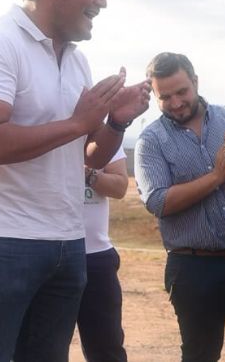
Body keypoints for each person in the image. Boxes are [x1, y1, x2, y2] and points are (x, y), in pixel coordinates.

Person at [0, 0, 150, 361]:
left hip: (67, 243)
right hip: (2, 243)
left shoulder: (76, 59)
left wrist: (116, 121)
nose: (103, 1)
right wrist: (78, 122)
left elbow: (88, 156)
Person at [135, 53, 225, 362]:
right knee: (200, 355)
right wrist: (217, 176)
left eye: (182, 92)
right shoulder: (151, 141)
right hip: (193, 268)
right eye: (165, 97)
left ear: (196, 82)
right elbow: (158, 201)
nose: (176, 102)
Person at [77, 149, 129, 362]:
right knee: (40, 348)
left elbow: (120, 187)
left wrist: (88, 174)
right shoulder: (36, 122)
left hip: (95, 256)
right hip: (42, 250)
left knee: (106, 349)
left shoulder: (102, 130)